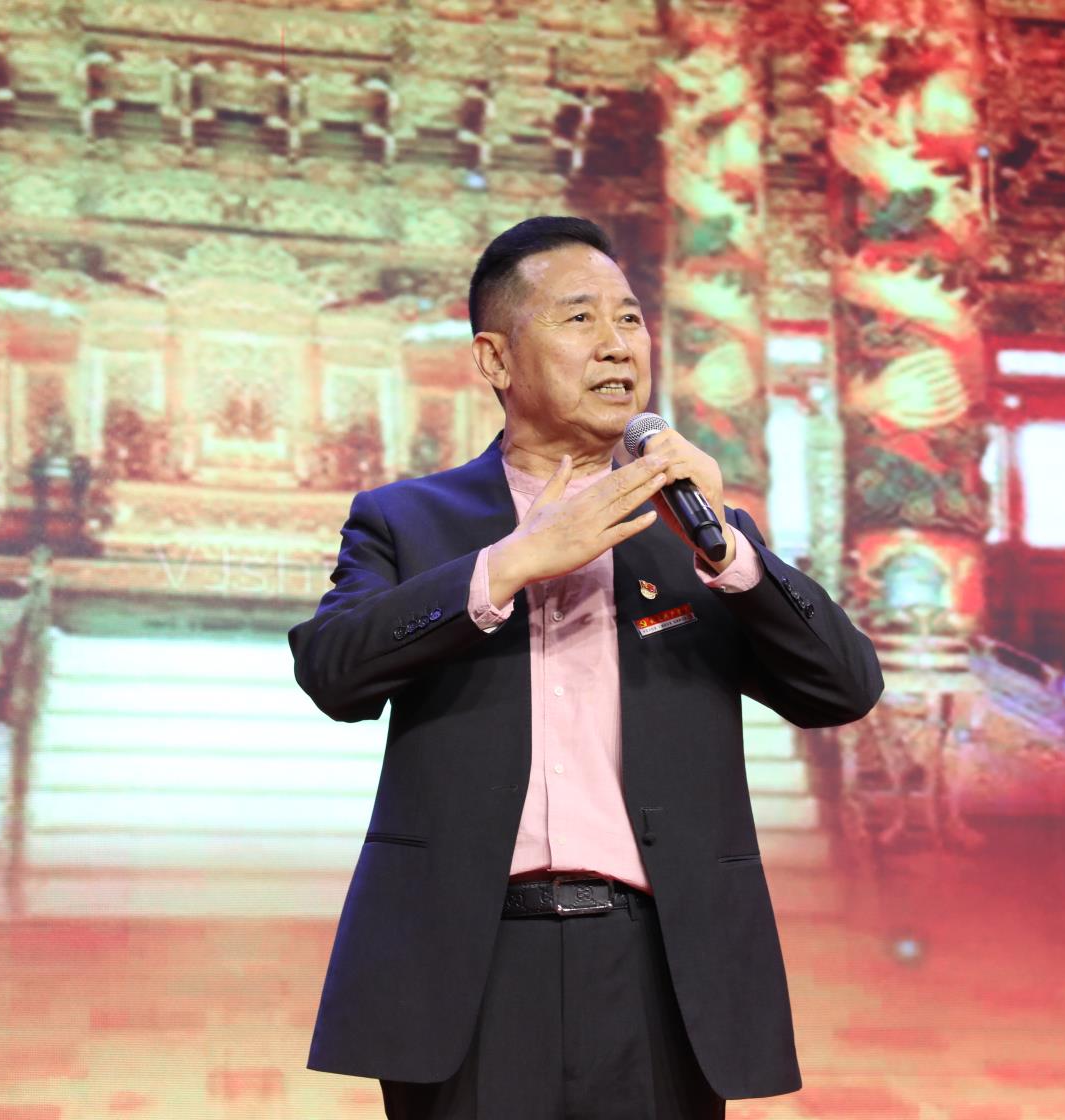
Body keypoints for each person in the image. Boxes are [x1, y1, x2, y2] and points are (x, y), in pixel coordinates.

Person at [290, 215, 884, 1119]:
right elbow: (333, 671)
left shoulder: (695, 532)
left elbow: (844, 687)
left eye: (630, 319)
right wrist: (509, 565)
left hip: (662, 968)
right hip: (469, 965)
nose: (617, 346)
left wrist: (731, 554)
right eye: (579, 318)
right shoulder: (407, 521)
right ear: (495, 359)